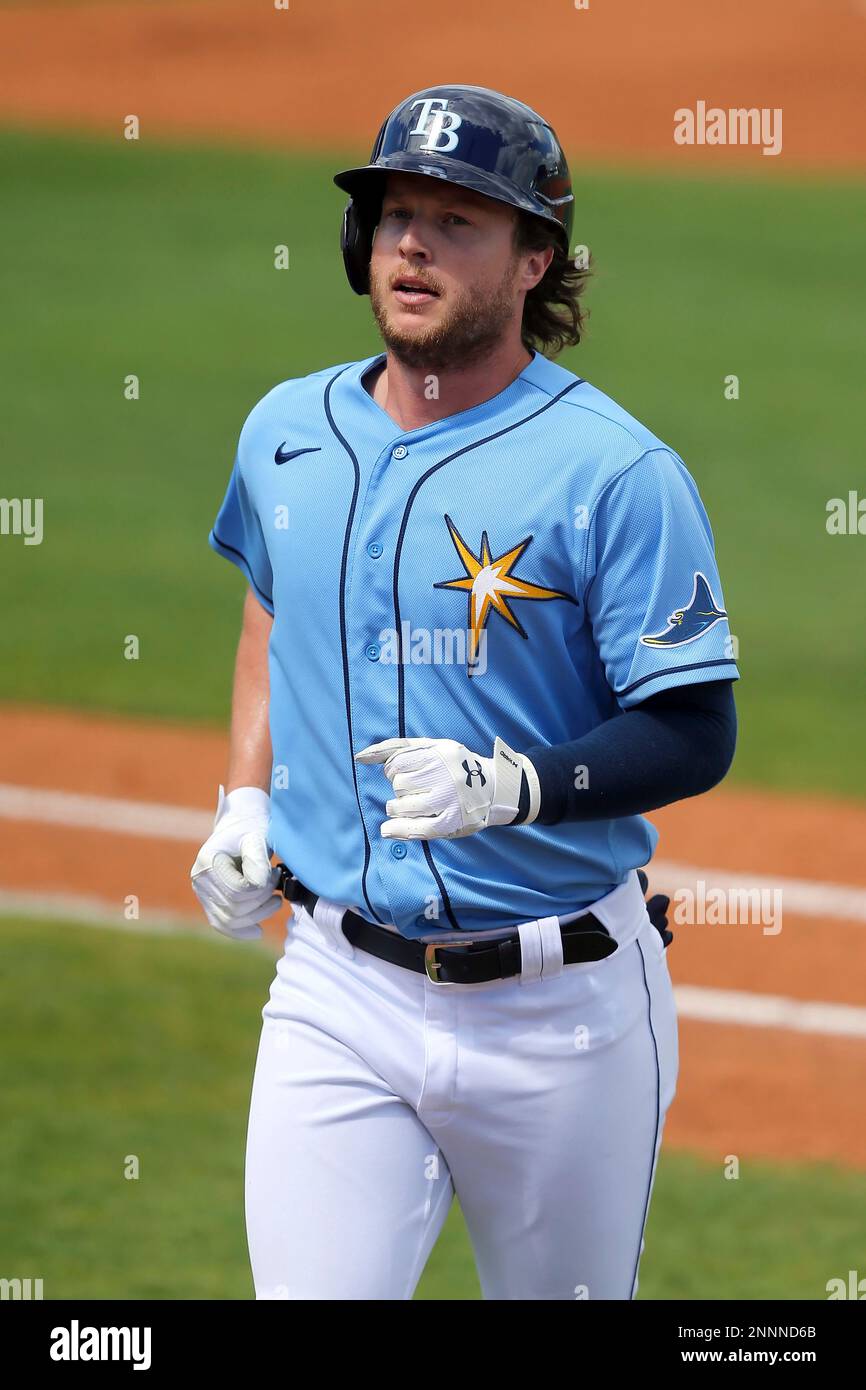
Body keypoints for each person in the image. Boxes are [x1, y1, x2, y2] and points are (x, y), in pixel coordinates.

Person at [191, 84, 738, 1300]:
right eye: (394, 217)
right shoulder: (288, 430)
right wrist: (244, 796)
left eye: (457, 222)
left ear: (534, 259)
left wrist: (517, 786)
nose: (413, 246)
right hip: (336, 987)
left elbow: (697, 728)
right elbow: (271, 604)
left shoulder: (616, 472)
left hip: (567, 1018)